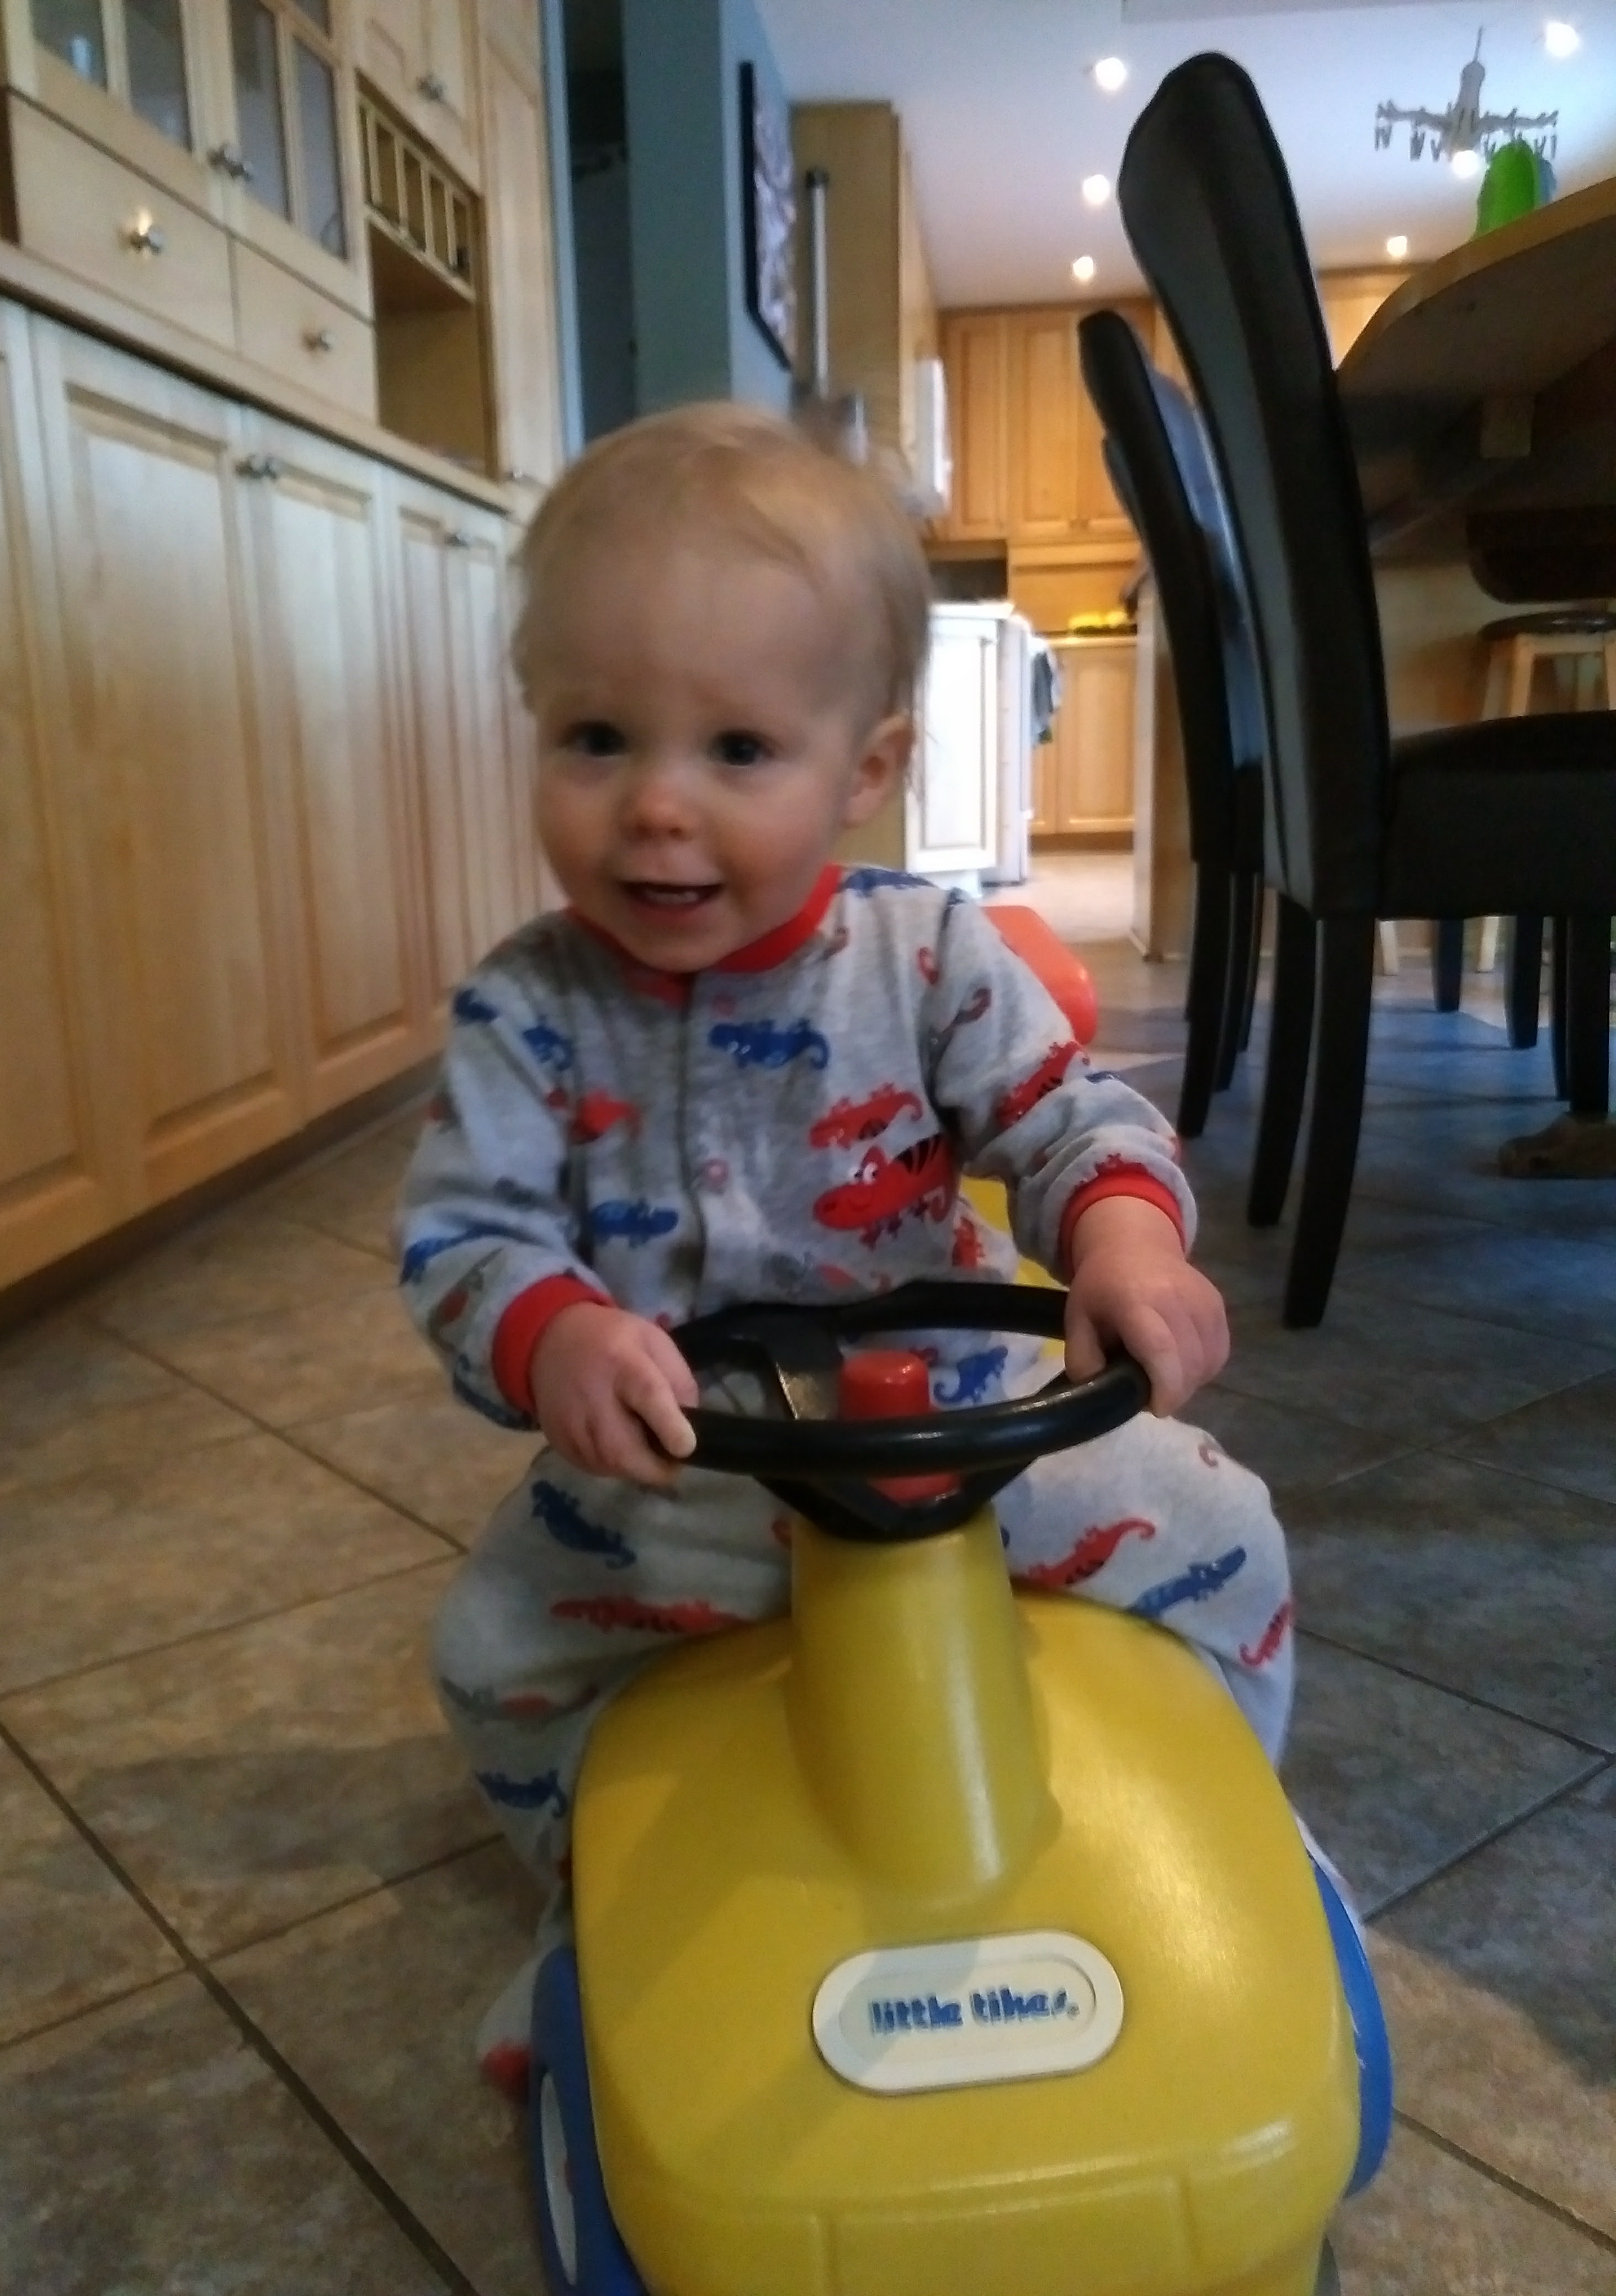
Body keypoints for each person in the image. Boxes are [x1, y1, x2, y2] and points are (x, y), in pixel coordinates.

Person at [398, 402, 1293, 2097]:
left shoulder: (932, 956)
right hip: (683, 1471)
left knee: (1227, 1533)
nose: (656, 807)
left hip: (971, 1430)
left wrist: (1123, 1243)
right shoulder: (528, 1010)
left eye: (737, 749)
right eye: (597, 738)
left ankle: (1243, 1849)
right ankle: (595, 1931)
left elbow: (1073, 1122)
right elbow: (466, 1232)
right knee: (492, 1656)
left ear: (863, 769)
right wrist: (553, 1334)